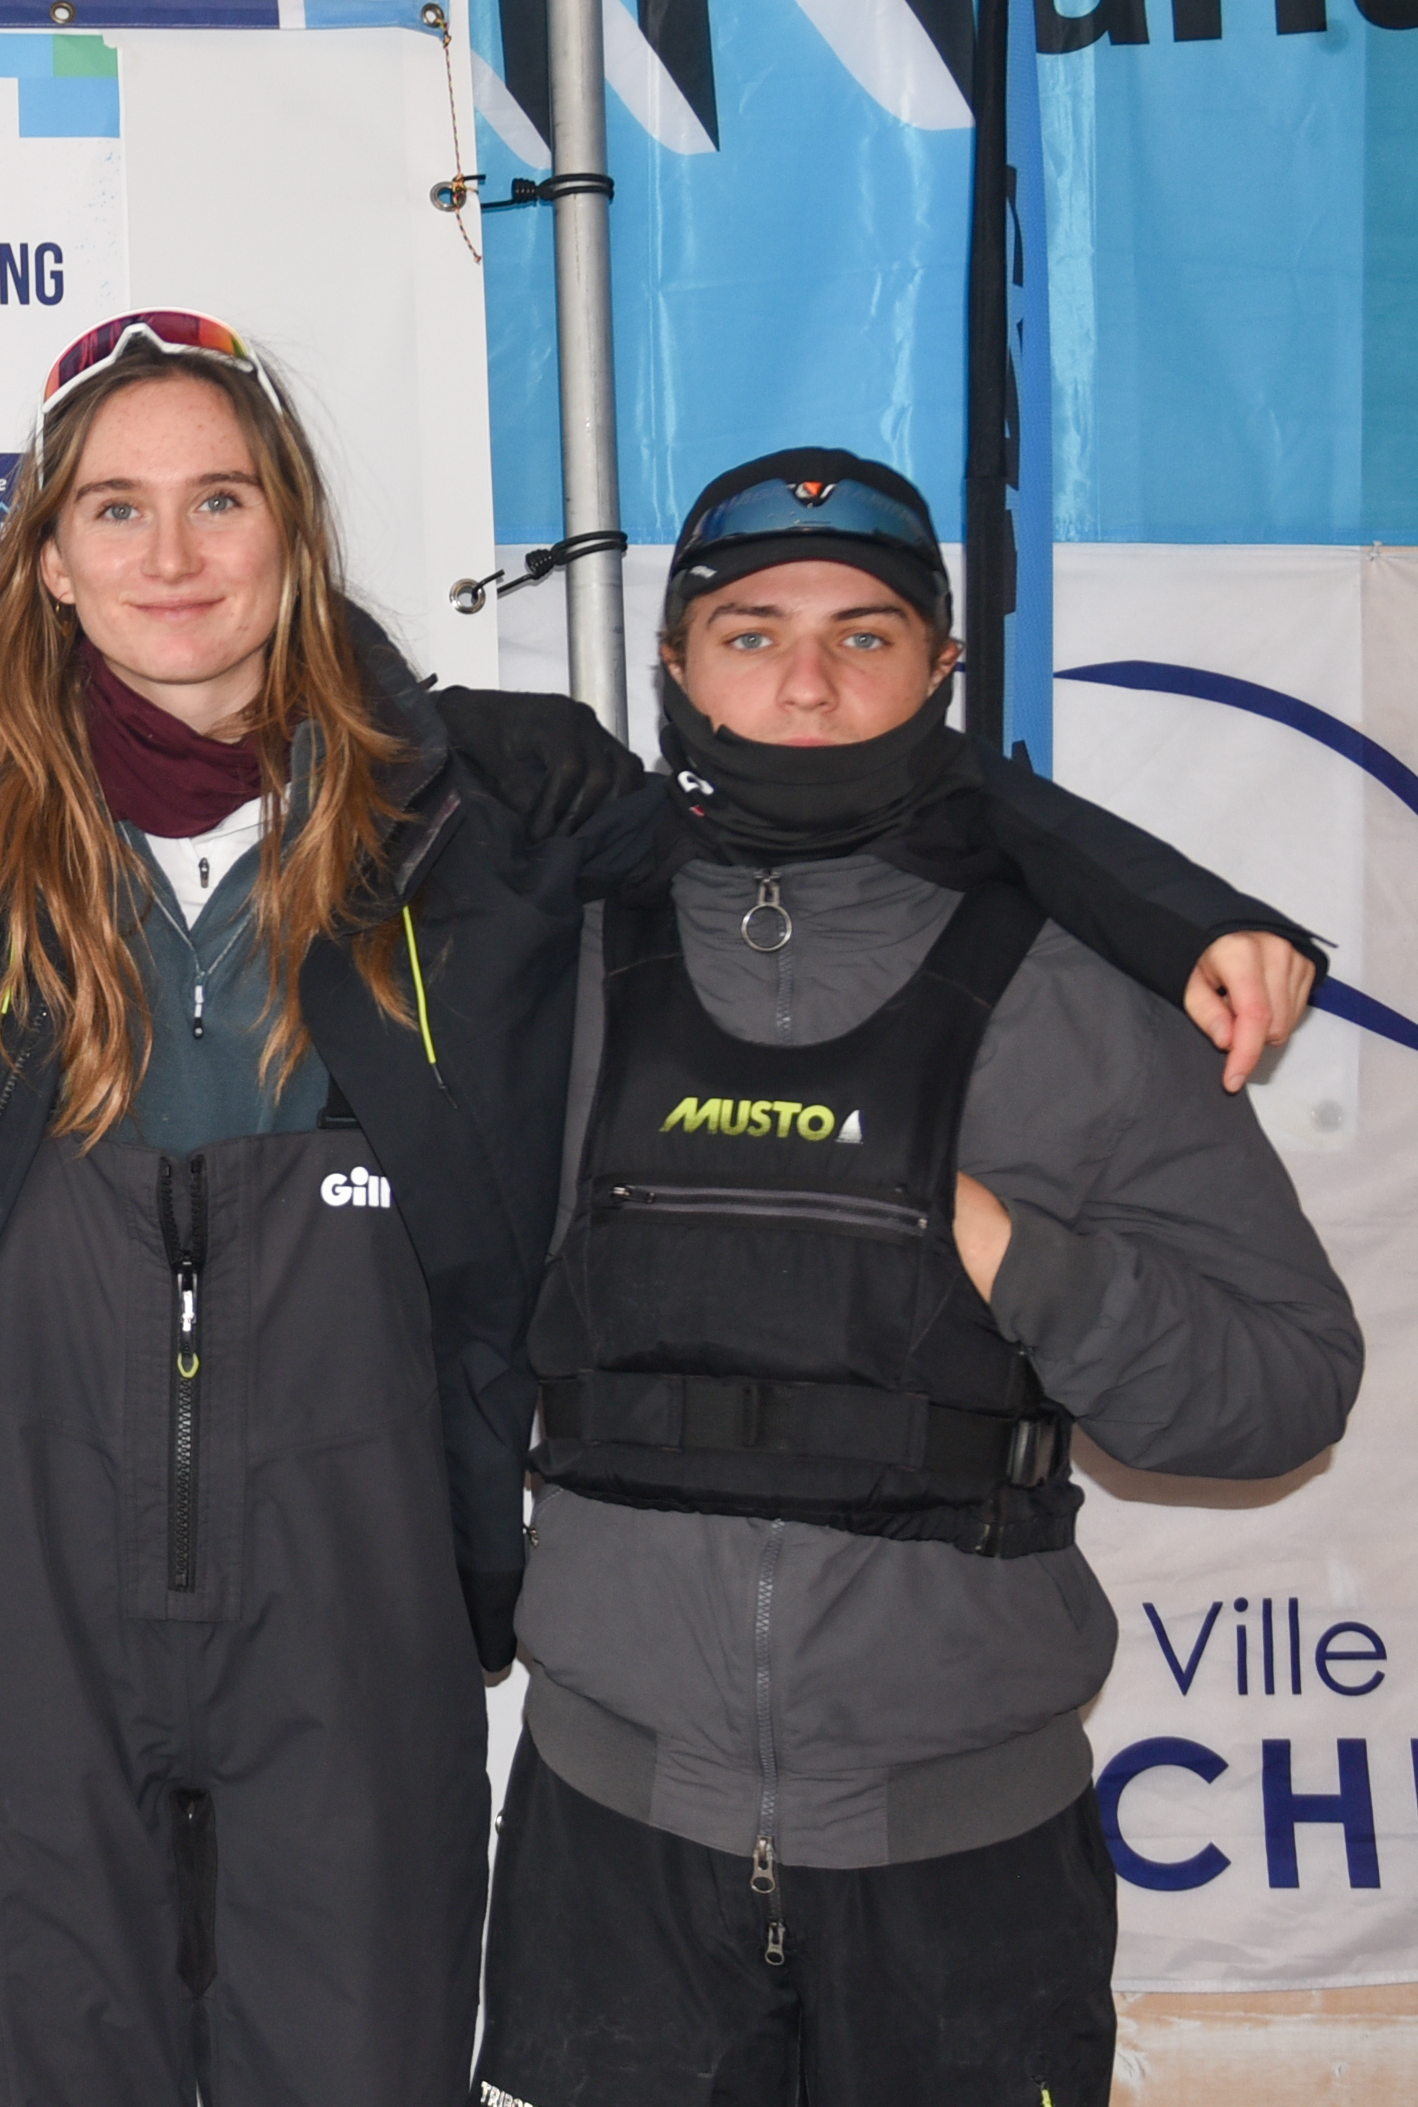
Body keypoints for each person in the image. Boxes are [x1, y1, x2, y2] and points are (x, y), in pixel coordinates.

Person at [0, 315, 1322, 2107]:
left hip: (350, 1584)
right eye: (115, 505)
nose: (171, 554)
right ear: (47, 553)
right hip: (15, 1586)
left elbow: (822, 770)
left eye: (219, 500)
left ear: (288, 537)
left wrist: (1160, 900)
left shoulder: (477, 799)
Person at [472, 450, 1364, 2107]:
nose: (805, 681)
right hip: (616, 1836)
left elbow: (1287, 1384)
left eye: (864, 634)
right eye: (751, 631)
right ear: (674, 662)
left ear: (941, 669)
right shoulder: (547, 961)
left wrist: (1003, 1249)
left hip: (967, 1854)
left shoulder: (1078, 982)